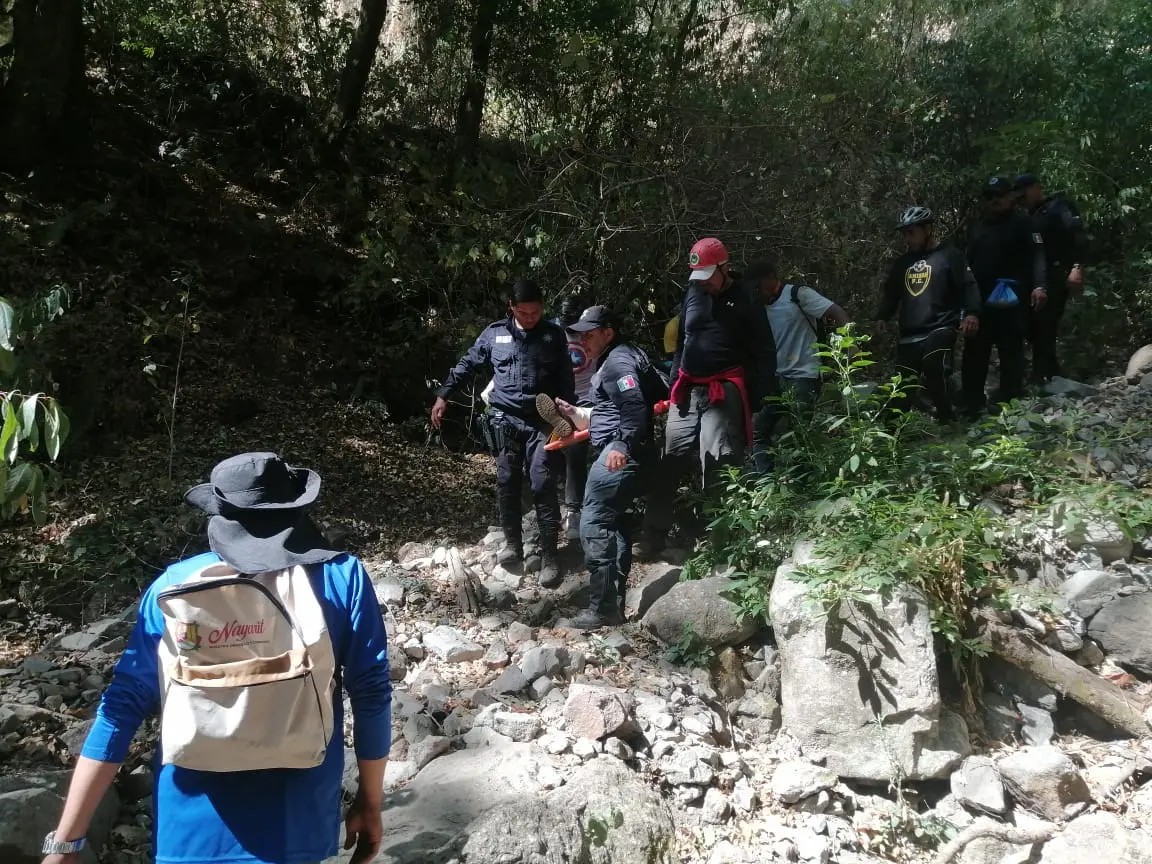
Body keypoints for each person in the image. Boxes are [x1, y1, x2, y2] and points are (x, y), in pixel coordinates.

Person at [40, 453, 392, 864]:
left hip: (188, 828)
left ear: (220, 514)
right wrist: (370, 803)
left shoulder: (174, 586)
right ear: (296, 509)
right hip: (297, 824)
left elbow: (120, 708)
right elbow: (371, 695)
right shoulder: (341, 578)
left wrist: (66, 843)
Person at [634, 238, 776, 557]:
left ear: (725, 268)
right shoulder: (694, 292)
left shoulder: (747, 298)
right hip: (688, 387)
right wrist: (674, 386)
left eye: (708, 275)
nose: (704, 282)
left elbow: (765, 350)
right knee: (671, 457)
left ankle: (718, 540)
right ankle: (654, 533)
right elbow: (683, 341)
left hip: (724, 388)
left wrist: (760, 396)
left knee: (718, 460)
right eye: (698, 276)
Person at [431, 280, 575, 586]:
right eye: (523, 313)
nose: (530, 318)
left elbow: (566, 378)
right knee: (507, 481)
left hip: (542, 421)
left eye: (535, 312)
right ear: (511, 307)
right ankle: (513, 545)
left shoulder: (553, 335)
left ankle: (550, 557)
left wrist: (569, 414)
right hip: (505, 419)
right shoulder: (494, 334)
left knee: (543, 483)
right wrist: (444, 395)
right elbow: (468, 364)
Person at [549, 306, 665, 630]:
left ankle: (602, 608)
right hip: (632, 451)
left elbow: (634, 405)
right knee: (615, 524)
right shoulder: (624, 356)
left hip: (619, 455)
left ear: (608, 333)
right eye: (580, 335)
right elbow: (639, 398)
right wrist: (579, 413)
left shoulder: (618, 362)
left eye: (589, 334)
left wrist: (621, 444)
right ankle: (614, 607)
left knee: (593, 523)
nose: (582, 341)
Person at [877, 206, 982, 423]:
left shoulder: (949, 255)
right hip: (910, 332)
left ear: (928, 229)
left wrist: (972, 313)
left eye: (911, 232)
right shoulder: (903, 264)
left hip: (941, 326)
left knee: (935, 366)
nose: (907, 238)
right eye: (904, 233)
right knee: (903, 383)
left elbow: (968, 285)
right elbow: (891, 294)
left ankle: (948, 420)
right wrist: (882, 317)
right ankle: (891, 431)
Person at [751, 257, 849, 471]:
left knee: (800, 433)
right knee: (758, 431)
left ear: (770, 278)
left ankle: (801, 482)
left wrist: (850, 343)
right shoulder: (759, 306)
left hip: (804, 376)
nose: (757, 291)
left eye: (759, 286)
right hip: (776, 378)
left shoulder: (797, 295)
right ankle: (765, 479)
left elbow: (837, 312)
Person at [963, 177, 1047, 416]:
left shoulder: (1023, 223)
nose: (994, 201)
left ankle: (1011, 401)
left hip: (1011, 297)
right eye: (989, 196)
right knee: (975, 350)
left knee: (1011, 350)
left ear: (1010, 196)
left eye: (999, 195)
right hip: (980, 299)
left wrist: (1040, 286)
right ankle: (972, 404)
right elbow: (966, 263)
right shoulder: (977, 226)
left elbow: (1038, 255)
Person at [1014, 172, 1089, 383]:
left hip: (1056, 273)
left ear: (1036, 188)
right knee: (1031, 326)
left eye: (1024, 194)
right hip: (1033, 278)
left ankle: (1041, 376)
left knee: (1045, 323)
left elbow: (1078, 236)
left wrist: (1077, 267)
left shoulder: (1059, 207)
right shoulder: (1027, 216)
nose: (1022, 199)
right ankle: (1052, 370)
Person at [555, 292, 598, 541]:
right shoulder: (552, 333)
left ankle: (575, 509)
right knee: (560, 450)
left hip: (589, 398)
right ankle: (567, 507)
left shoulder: (592, 332)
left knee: (576, 450)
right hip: (562, 398)